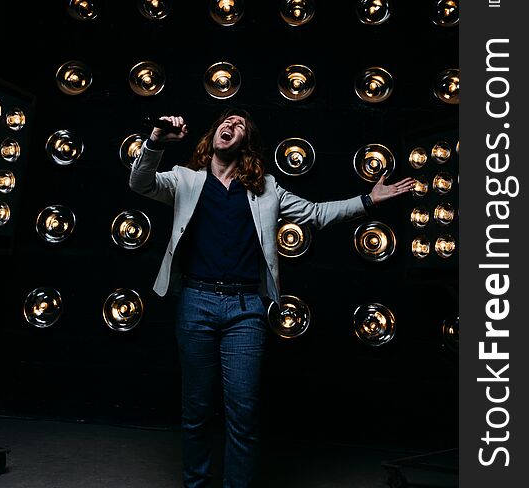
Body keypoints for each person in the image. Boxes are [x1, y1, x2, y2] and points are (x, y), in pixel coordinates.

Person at [129, 107, 414, 488]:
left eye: (240, 125)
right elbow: (141, 182)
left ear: (246, 142)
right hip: (195, 303)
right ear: (213, 135)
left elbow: (315, 214)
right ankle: (195, 485)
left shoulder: (265, 187)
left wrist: (368, 200)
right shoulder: (185, 180)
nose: (230, 125)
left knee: (242, 413)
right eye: (225, 122)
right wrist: (154, 143)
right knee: (196, 410)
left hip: (246, 309)